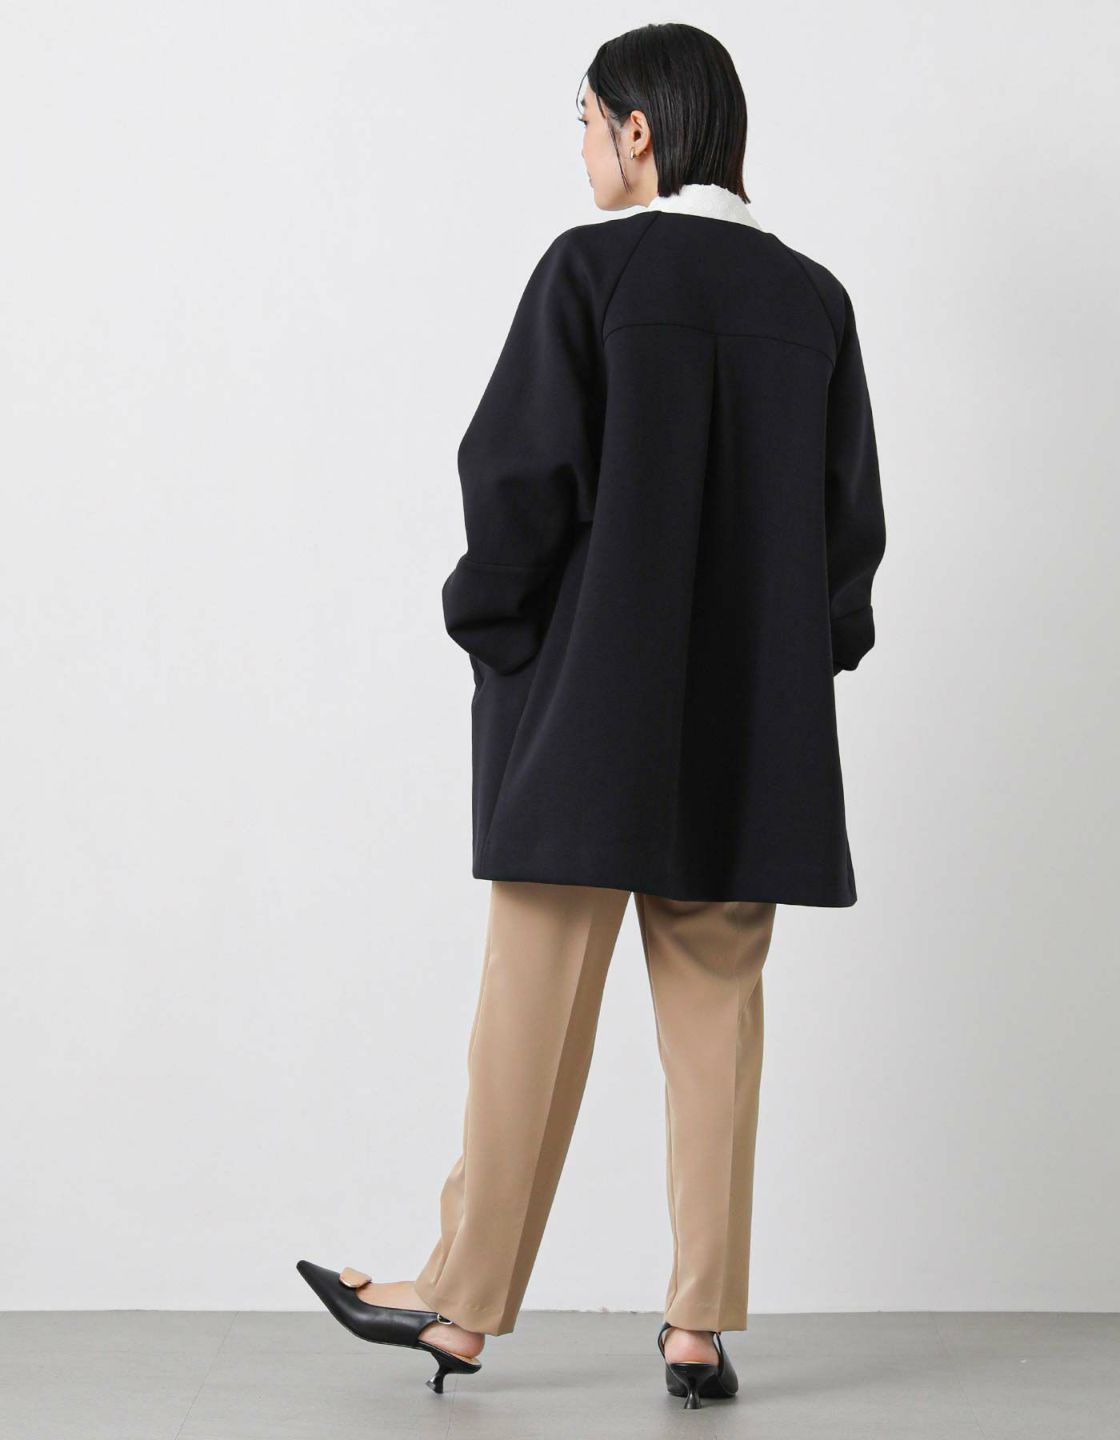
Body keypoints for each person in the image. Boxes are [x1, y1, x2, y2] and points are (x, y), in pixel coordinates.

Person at [298, 20, 886, 1411]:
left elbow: (515, 482)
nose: (579, 149)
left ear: (639, 129)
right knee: (718, 1020)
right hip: (747, 730)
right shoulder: (814, 300)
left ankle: (460, 1303)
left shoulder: (591, 271)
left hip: (586, 713)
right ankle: (698, 1327)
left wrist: (495, 629)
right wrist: (795, 665)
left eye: (583, 119)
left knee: (531, 1009)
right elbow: (847, 530)